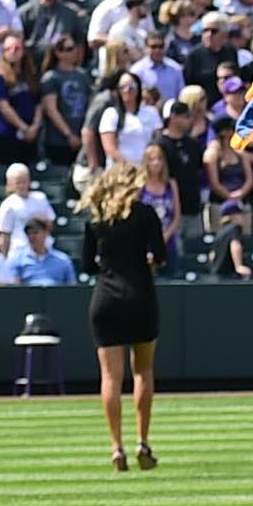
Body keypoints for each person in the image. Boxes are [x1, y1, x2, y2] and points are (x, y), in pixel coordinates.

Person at [79, 161, 168, 472]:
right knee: (142, 371)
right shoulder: (145, 215)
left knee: (110, 378)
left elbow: (88, 265)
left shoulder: (97, 220)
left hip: (105, 299)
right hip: (140, 295)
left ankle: (116, 447)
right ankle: (142, 442)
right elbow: (160, 256)